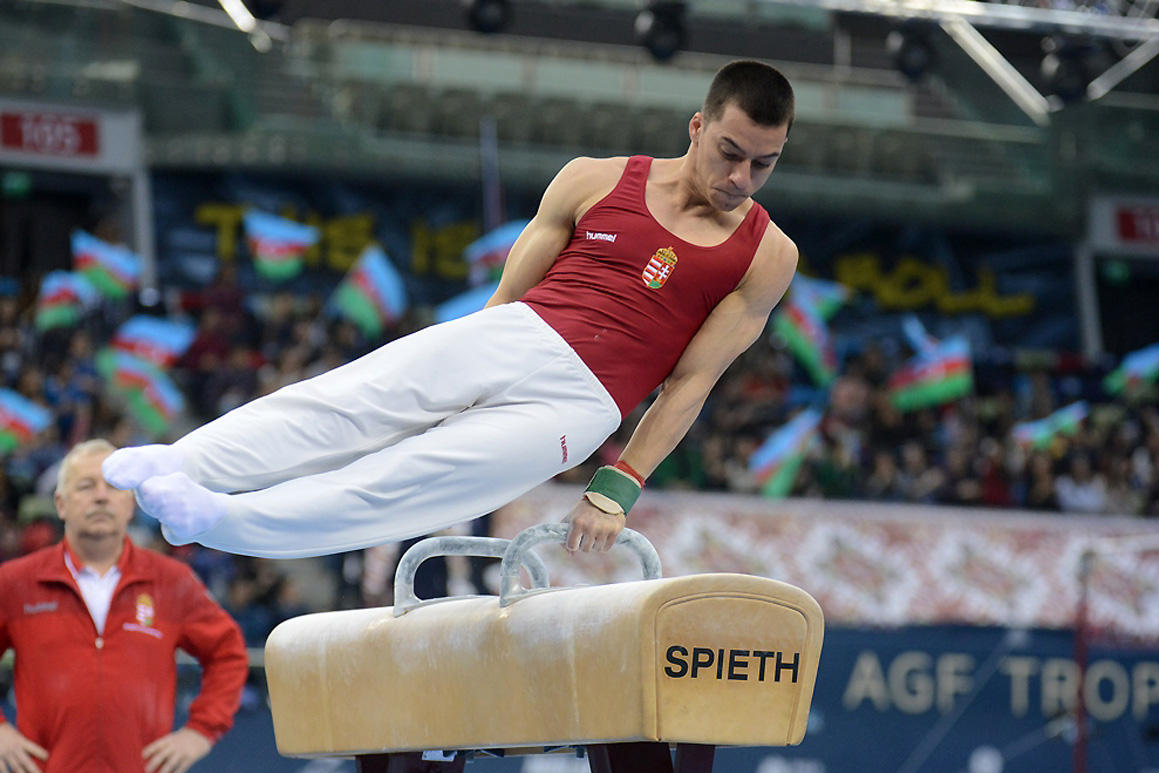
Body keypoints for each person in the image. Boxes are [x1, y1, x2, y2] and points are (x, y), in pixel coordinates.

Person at [102, 60, 799, 558]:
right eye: (729, 153)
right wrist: (464, 379)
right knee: (348, 401)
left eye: (762, 165)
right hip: (514, 334)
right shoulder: (595, 178)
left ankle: (221, 520)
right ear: (698, 124)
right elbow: (503, 302)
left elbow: (691, 384)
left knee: (410, 483)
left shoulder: (767, 254)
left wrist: (617, 487)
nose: (739, 179)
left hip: (580, 406)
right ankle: (185, 459)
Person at [0, 439, 248, 773]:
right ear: (60, 504)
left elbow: (228, 652)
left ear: (131, 504)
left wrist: (201, 731)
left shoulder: (170, 582)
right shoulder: (16, 583)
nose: (101, 496)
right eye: (86, 486)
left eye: (114, 487)